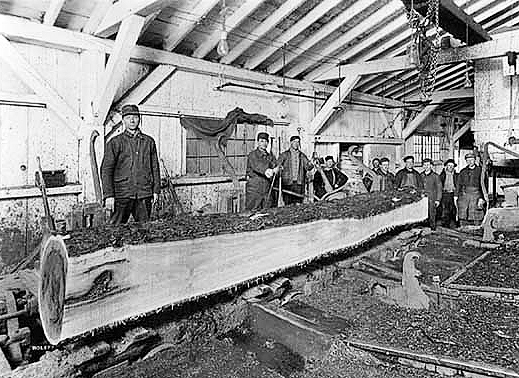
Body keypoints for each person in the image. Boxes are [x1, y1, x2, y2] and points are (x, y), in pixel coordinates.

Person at [101, 104, 160, 225]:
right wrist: (109, 195)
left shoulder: (149, 142)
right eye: (128, 118)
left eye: (135, 117)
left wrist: (156, 190)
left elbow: (155, 168)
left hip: (144, 194)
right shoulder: (115, 142)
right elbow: (106, 170)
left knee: (144, 230)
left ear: (140, 119)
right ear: (123, 120)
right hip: (122, 195)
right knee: (116, 231)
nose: (132, 120)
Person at [245, 132, 279, 211]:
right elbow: (258, 166)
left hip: (267, 189)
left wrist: (278, 168)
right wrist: (269, 171)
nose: (264, 143)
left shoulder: (270, 156)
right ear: (258, 142)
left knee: (266, 213)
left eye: (266, 141)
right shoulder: (252, 155)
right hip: (254, 190)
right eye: (261, 141)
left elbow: (275, 166)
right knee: (253, 213)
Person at [277, 135, 314, 205]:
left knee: (298, 204)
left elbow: (308, 167)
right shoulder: (284, 155)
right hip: (287, 183)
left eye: (298, 142)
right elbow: (277, 166)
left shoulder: (302, 155)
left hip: (299, 184)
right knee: (288, 204)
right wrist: (279, 168)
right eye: (294, 142)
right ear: (291, 143)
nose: (296, 144)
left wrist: (312, 163)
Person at [457, 153, 485, 226]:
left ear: (475, 160)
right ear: (466, 161)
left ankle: (476, 231)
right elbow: (458, 185)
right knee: (463, 214)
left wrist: (482, 197)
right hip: (464, 195)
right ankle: (463, 231)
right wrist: (456, 195)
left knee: (476, 214)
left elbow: (485, 186)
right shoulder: (463, 171)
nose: (470, 162)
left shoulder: (481, 171)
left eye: (471, 160)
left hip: (477, 195)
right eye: (468, 160)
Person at [421, 158, 442, 230]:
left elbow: (439, 189)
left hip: (432, 199)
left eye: (428, 165)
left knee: (432, 216)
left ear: (431, 166)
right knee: (423, 216)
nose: (426, 166)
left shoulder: (435, 176)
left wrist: (438, 200)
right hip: (422, 200)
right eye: (424, 165)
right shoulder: (420, 176)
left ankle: (432, 230)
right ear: (422, 166)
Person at [439, 159, 459, 228]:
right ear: (446, 167)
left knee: (454, 209)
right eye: (449, 166)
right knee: (445, 210)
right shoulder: (442, 175)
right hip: (445, 194)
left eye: (452, 166)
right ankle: (445, 224)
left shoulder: (457, 175)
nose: (450, 167)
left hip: (454, 194)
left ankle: (455, 224)